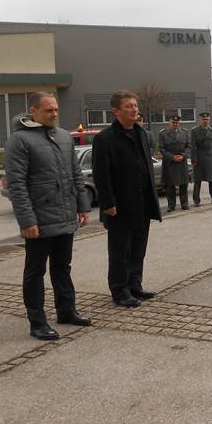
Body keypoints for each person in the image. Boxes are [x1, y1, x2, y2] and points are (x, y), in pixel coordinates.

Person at [4, 92, 92, 340]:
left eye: (55, 110)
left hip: (64, 216)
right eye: (48, 110)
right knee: (35, 272)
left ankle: (66, 311)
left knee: (62, 267)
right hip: (39, 220)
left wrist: (82, 206)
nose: (54, 113)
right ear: (34, 111)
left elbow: (76, 174)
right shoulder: (19, 141)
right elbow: (17, 185)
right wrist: (27, 220)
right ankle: (38, 322)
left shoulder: (63, 137)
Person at [92, 90, 162, 307]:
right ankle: (119, 290)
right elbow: (101, 174)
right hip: (120, 205)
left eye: (135, 105)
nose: (134, 109)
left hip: (143, 202)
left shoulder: (140, 133)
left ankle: (134, 285)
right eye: (129, 106)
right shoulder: (105, 139)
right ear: (116, 111)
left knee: (138, 247)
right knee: (120, 250)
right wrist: (108, 203)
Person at [158, 115, 191, 211]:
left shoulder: (184, 132)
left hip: (181, 161)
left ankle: (184, 204)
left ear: (179, 123)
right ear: (169, 123)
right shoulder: (163, 133)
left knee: (183, 184)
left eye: (177, 123)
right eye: (173, 122)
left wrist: (183, 155)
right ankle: (171, 205)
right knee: (170, 185)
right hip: (170, 162)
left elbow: (189, 146)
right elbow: (161, 148)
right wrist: (172, 157)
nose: (175, 124)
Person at [190, 112, 212, 206]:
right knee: (198, 180)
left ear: (209, 120)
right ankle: (196, 200)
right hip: (200, 157)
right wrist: (193, 160)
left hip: (210, 156)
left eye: (207, 119)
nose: (205, 121)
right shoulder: (195, 131)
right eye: (203, 120)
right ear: (200, 120)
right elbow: (193, 147)